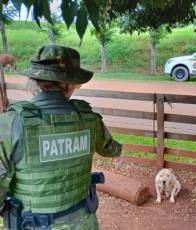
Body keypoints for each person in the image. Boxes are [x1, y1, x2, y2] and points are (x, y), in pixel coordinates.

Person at [0, 45, 122, 229]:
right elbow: (111, 149)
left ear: (37, 80)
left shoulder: (12, 123)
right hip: (84, 223)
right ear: (69, 83)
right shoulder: (90, 120)